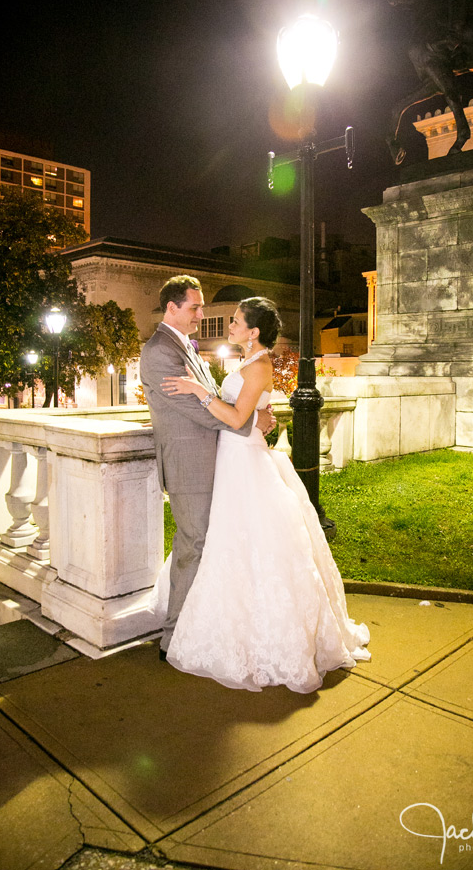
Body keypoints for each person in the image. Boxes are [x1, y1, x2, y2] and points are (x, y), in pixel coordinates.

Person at [152, 295, 371, 694]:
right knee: (229, 544)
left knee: (252, 547)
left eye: (234, 321)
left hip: (245, 461)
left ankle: (262, 639)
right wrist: (256, 416)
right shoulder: (245, 363)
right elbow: (246, 413)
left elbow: (235, 416)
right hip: (232, 458)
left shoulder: (260, 364)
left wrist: (197, 391)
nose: (229, 325)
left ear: (253, 332)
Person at [139, 276, 275, 660]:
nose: (202, 314)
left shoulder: (186, 348)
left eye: (200, 307)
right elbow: (192, 408)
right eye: (195, 307)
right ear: (172, 308)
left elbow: (210, 399)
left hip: (216, 460)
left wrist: (248, 416)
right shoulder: (159, 352)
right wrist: (248, 422)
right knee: (194, 544)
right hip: (189, 464)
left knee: (206, 545)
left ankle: (198, 627)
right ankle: (174, 638)